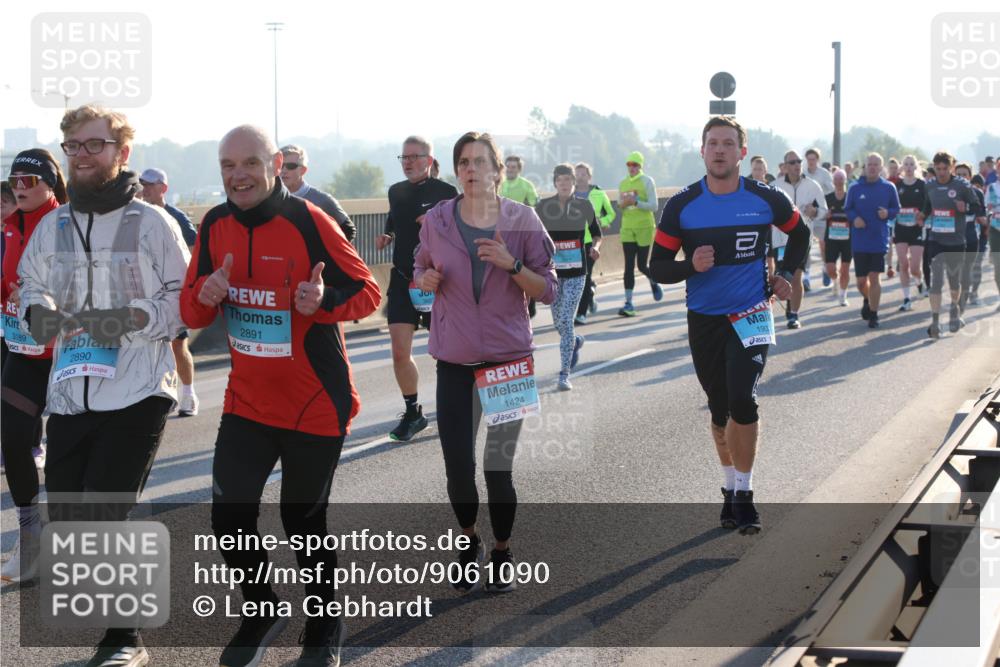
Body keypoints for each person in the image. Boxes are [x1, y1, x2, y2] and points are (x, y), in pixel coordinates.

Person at [181, 125, 380, 667]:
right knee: (228, 517)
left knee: (302, 521)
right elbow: (191, 311)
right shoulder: (214, 224)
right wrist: (206, 293)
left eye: (249, 163)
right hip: (247, 401)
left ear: (272, 164)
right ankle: (263, 608)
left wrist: (324, 299)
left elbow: (368, 292)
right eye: (227, 166)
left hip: (315, 401)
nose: (238, 175)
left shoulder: (309, 221)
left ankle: (323, 626)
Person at [16, 105, 190, 666]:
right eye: (75, 146)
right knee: (68, 517)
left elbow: (182, 304)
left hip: (139, 390)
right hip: (69, 391)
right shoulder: (54, 224)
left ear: (122, 152)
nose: (85, 155)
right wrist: (37, 314)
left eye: (96, 145)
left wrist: (130, 318)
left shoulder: (153, 223)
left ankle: (124, 641)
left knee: (104, 510)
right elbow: (29, 287)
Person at [650, 116, 810, 535]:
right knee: (720, 411)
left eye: (727, 143)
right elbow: (657, 266)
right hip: (705, 319)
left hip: (752, 313)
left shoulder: (765, 197)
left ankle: (745, 493)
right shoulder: (682, 205)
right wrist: (689, 266)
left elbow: (801, 234)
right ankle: (728, 486)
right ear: (702, 151)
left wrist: (787, 273)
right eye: (712, 144)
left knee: (744, 399)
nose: (719, 150)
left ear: (742, 152)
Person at [413, 132, 557, 593]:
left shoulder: (523, 220)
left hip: (508, 361)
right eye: (463, 162)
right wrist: (427, 279)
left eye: (480, 161)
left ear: (498, 170)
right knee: (457, 465)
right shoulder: (436, 221)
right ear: (456, 171)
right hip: (453, 360)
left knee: (498, 467)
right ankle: (468, 541)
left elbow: (549, 289)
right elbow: (417, 275)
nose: (471, 169)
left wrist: (512, 264)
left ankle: (502, 550)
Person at [0, 149, 67, 584]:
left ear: (49, 183)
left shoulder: (66, 224)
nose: (20, 187)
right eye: (14, 180)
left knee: (67, 454)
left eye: (29, 179)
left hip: (67, 355)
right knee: (14, 439)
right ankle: (30, 537)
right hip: (21, 352)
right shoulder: (6, 228)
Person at [376, 136, 458, 441]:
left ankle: (455, 406)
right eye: (403, 157)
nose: (408, 162)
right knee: (400, 353)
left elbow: (459, 232)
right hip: (402, 279)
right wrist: (387, 234)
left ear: (429, 159)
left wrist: (437, 223)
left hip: (438, 280)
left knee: (447, 353)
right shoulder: (396, 191)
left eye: (414, 156)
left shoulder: (446, 193)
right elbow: (395, 220)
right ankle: (413, 413)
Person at [138, 167, 201, 416]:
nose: (145, 189)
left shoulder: (175, 216)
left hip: (173, 291)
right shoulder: (135, 215)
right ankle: (159, 393)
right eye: (142, 184)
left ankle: (188, 394)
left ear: (163, 188)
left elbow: (196, 248)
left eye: (150, 184)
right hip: (146, 292)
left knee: (177, 344)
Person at [537, 163, 601, 389]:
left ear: (574, 182)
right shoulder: (544, 206)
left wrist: (596, 247)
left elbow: (597, 234)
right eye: (560, 180)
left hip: (577, 272)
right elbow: (535, 236)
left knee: (565, 319)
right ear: (555, 183)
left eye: (568, 180)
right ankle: (575, 341)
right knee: (558, 322)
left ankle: (564, 374)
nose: (564, 184)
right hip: (553, 273)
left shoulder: (584, 205)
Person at [921, 151, 980, 337]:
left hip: (956, 240)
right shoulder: (929, 186)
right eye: (937, 169)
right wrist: (922, 215)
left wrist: (966, 207)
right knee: (936, 282)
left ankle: (954, 308)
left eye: (944, 169)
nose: (941, 172)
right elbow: (927, 206)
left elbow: (977, 206)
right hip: (936, 239)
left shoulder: (962, 185)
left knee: (954, 282)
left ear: (951, 167)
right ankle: (935, 322)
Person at [844, 153, 901, 329]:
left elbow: (896, 208)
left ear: (881, 167)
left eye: (876, 164)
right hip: (860, 240)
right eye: (870, 164)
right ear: (865, 166)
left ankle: (874, 314)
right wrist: (854, 219)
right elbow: (847, 209)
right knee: (861, 281)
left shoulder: (888, 187)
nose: (873, 167)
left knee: (874, 277)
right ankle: (868, 299)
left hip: (878, 239)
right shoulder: (854, 188)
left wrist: (887, 214)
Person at [772, 150, 826, 328]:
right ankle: (785, 306)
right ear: (785, 166)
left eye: (798, 162)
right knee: (781, 276)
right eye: (792, 162)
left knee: (796, 277)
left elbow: (824, 211)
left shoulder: (812, 185)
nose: (796, 165)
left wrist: (815, 212)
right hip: (780, 240)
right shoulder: (775, 186)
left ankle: (793, 315)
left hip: (802, 240)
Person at [279, 144, 357, 242]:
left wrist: (323, 253)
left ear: (303, 170)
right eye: (280, 165)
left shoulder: (322, 200)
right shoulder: (268, 199)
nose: (284, 170)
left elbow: (348, 230)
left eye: (291, 166)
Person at [617, 151, 663, 316]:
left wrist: (636, 202)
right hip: (627, 228)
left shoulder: (647, 181)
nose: (632, 168)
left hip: (644, 227)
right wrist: (623, 204)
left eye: (635, 165)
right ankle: (629, 303)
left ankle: (653, 280)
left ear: (640, 166)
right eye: (629, 164)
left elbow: (654, 206)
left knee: (642, 265)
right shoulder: (623, 183)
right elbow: (619, 205)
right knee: (628, 266)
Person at [573, 162, 615, 324]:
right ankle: (590, 293)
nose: (580, 177)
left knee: (584, 275)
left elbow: (611, 214)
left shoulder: (598, 193)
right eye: (577, 174)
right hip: (573, 241)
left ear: (589, 177)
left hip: (591, 240)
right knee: (577, 277)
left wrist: (601, 221)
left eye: (583, 174)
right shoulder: (570, 194)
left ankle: (581, 314)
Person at [893, 155, 928, 310]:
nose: (908, 167)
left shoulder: (922, 185)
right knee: (903, 264)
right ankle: (907, 298)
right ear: (902, 167)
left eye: (911, 164)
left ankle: (919, 283)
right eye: (905, 164)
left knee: (914, 266)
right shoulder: (897, 185)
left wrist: (923, 216)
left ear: (916, 167)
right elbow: (892, 205)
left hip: (917, 229)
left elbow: (929, 205)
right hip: (900, 228)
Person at [954, 163, 988, 310]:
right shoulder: (949, 192)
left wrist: (988, 220)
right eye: (958, 175)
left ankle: (962, 304)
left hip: (971, 235)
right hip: (952, 236)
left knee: (967, 271)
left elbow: (982, 218)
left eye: (964, 175)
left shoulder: (977, 193)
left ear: (969, 177)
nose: (961, 177)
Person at [824, 169, 853, 306]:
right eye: (836, 179)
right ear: (833, 181)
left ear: (845, 181)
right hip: (831, 238)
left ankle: (843, 295)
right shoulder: (828, 198)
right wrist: (825, 214)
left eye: (841, 179)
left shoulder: (850, 197)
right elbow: (819, 213)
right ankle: (835, 281)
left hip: (847, 238)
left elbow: (857, 213)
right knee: (830, 269)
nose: (839, 182)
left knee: (845, 269)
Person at [986, 170, 1000, 309]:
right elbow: (985, 208)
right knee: (998, 268)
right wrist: (988, 209)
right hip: (996, 229)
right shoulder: (991, 188)